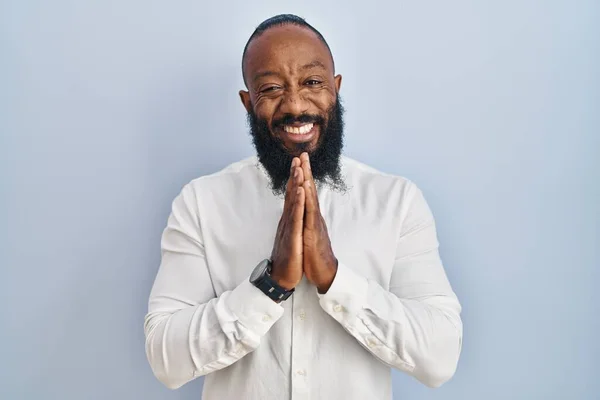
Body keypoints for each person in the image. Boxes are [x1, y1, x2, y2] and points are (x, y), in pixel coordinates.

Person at [144, 14, 462, 400]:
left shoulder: (395, 202)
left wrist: (334, 277)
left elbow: (441, 356)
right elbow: (166, 360)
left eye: (312, 82)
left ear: (336, 89)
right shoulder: (201, 203)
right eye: (272, 88)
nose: (295, 104)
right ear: (248, 103)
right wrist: (270, 284)